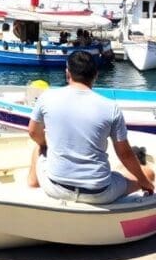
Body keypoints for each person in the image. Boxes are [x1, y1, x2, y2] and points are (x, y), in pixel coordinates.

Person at [27, 51, 153, 203]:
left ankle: (33, 185)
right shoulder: (111, 108)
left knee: (40, 147)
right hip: (99, 192)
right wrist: (143, 181)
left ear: (68, 73)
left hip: (55, 188)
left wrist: (46, 145)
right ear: (96, 75)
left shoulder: (46, 97)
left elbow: (33, 132)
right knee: (146, 174)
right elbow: (125, 154)